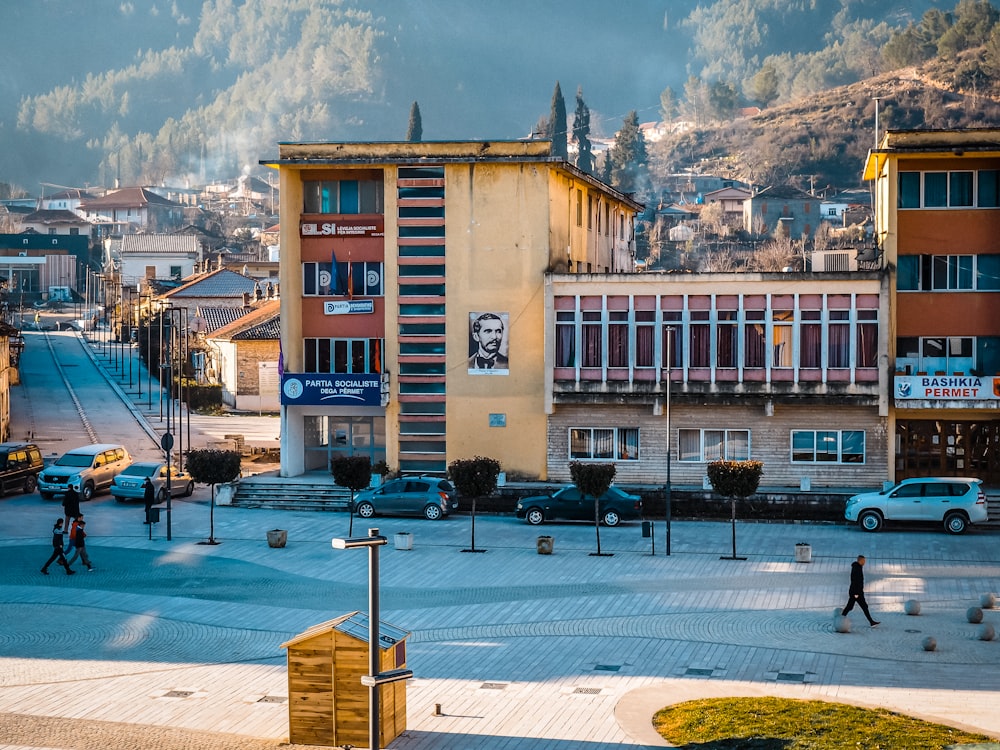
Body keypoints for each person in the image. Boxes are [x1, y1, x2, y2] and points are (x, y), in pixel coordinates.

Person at [841, 554, 879, 626]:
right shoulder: (857, 568)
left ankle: (871, 622)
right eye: (863, 561)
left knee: (860, 606)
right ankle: (840, 619)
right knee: (851, 607)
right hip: (856, 593)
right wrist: (856, 593)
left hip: (858, 592)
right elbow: (855, 581)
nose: (864, 562)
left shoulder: (858, 567)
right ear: (860, 560)